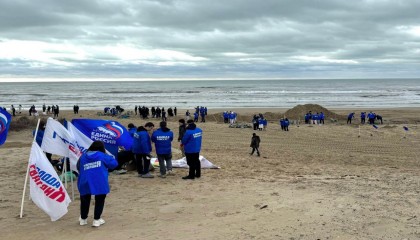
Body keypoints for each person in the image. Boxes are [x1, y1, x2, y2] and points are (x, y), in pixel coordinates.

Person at [77, 141, 118, 227]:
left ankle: (83, 219)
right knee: (100, 199)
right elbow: (114, 164)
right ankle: (96, 219)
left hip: (85, 180)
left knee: (84, 199)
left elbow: (78, 167)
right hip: (99, 180)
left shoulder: (83, 156)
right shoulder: (102, 155)